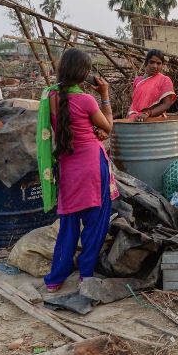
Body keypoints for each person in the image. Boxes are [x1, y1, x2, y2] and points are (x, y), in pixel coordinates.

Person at [36, 48, 119, 293]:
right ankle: (85, 273)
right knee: (96, 221)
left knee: (69, 223)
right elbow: (108, 127)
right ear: (84, 73)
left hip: (68, 167)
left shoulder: (50, 96)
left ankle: (55, 278)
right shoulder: (86, 99)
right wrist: (105, 95)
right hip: (92, 166)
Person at [128, 49, 177, 122]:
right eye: (152, 62)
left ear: (162, 65)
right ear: (146, 63)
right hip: (134, 118)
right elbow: (134, 104)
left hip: (154, 120)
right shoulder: (137, 81)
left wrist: (147, 113)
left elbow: (166, 105)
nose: (155, 66)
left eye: (158, 63)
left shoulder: (164, 80)